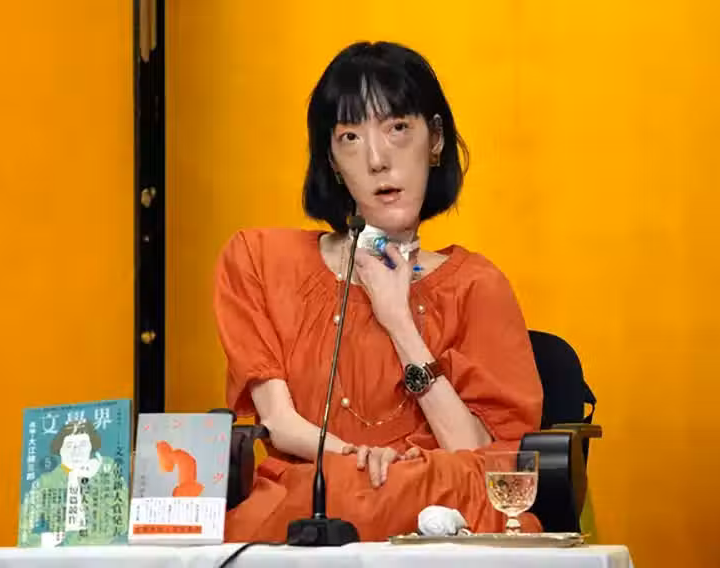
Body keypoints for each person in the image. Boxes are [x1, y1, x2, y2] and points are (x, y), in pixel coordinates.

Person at [215, 41, 543, 542]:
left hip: (441, 506)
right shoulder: (258, 260)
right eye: (350, 137)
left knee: (457, 487)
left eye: (397, 128)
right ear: (332, 159)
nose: (376, 159)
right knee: (339, 492)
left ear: (435, 139)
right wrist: (359, 461)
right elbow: (279, 422)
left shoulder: (478, 286)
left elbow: (485, 460)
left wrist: (398, 321)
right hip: (316, 495)